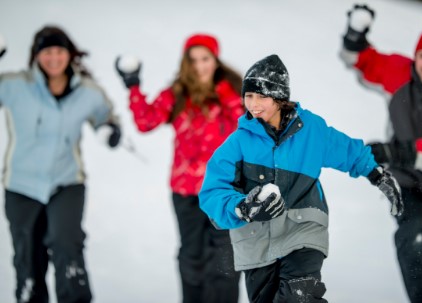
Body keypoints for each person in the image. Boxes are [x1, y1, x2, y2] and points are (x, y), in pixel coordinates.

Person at [198, 54, 404, 303]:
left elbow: (348, 150)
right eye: (249, 96)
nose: (253, 104)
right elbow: (212, 191)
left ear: (279, 97)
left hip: (303, 228)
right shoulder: (238, 143)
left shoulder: (311, 130)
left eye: (261, 96)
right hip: (255, 242)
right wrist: (243, 208)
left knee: (300, 297)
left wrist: (377, 174)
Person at [340, 4, 422, 302]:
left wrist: (392, 151)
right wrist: (356, 34)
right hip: (409, 183)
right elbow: (360, 61)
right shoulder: (400, 74)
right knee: (414, 237)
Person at [115, 33, 243, 303]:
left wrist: (223, 92)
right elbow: (146, 121)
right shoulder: (177, 93)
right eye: (193, 59)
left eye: (205, 59)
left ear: (215, 61)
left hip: (225, 190)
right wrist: (133, 86)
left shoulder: (233, 91)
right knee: (192, 255)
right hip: (185, 190)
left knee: (226, 256)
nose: (199, 66)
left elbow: (250, 123)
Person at [0, 26, 121, 303]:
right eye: (47, 52)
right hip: (20, 185)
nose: (53, 58)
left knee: (67, 245)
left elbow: (106, 117)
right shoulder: (15, 85)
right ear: (36, 56)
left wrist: (111, 130)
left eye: (59, 51)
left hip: (67, 182)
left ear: (69, 54)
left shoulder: (87, 91)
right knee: (27, 255)